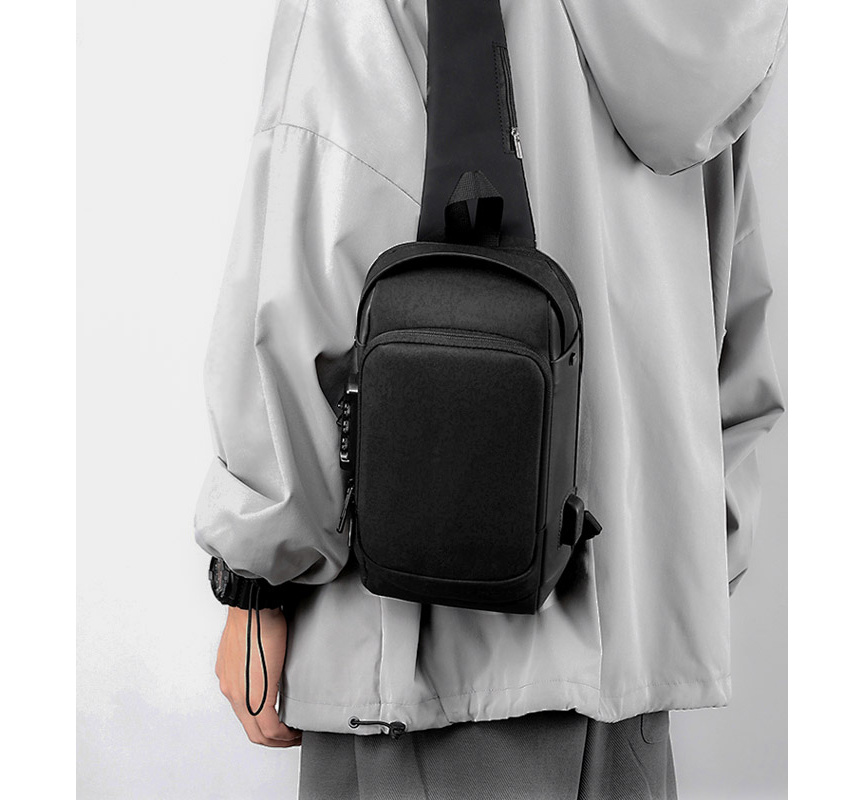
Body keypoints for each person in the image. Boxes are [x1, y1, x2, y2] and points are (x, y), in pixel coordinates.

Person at [194, 1, 787, 797]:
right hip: (633, 669)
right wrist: (684, 564)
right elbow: (732, 300)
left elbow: (310, 261)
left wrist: (256, 575)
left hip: (435, 658)